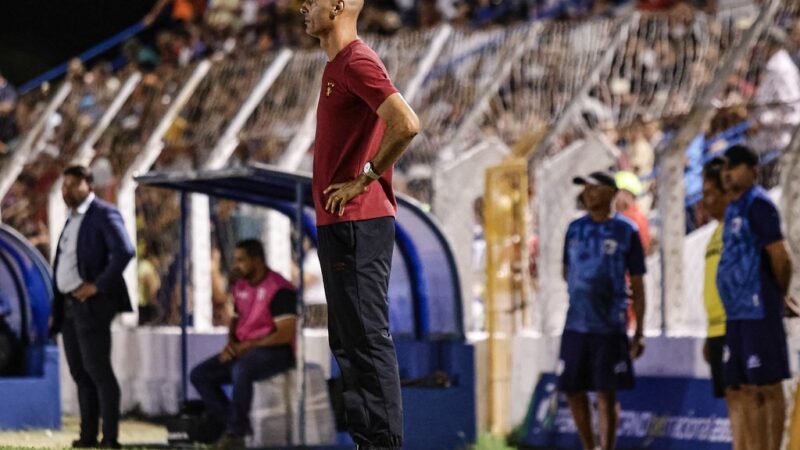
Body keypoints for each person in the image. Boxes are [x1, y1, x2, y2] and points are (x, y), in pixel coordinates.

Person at [300, 0, 420, 447]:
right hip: (340, 223)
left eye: (312, 1)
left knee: (366, 339)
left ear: (336, 7)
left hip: (357, 222)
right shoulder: (337, 65)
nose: (303, 7)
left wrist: (363, 179)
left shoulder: (357, 60)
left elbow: (406, 124)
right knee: (349, 343)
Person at [48, 166, 135, 449]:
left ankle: (109, 438)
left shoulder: (103, 213)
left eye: (73, 185)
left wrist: (97, 285)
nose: (66, 191)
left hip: (92, 304)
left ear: (89, 185)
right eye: (64, 186)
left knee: (98, 371)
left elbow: (124, 250)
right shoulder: (72, 220)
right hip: (70, 305)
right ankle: (87, 436)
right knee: (80, 372)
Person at [559, 171, 646, 450]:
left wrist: (639, 330)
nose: (587, 194)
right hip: (576, 324)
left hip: (609, 326)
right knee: (572, 388)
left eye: (594, 189)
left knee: (606, 392)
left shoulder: (626, 231)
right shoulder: (574, 229)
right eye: (585, 189)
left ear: (611, 192)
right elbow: (566, 270)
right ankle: (589, 445)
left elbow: (638, 282)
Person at [717, 145, 793, 450]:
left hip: (758, 309)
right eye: (724, 168)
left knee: (767, 387)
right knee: (746, 388)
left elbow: (780, 257)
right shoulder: (733, 207)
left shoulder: (759, 205)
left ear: (753, 170)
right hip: (737, 313)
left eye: (734, 166)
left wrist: (779, 295)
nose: (727, 173)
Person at [190, 239, 298, 449]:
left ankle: (236, 433)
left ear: (257, 261)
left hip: (276, 350)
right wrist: (231, 345)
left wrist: (245, 347)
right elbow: (236, 321)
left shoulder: (280, 289)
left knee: (242, 369)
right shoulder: (240, 285)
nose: (236, 265)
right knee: (199, 374)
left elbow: (285, 334)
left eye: (241, 260)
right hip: (246, 349)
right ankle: (233, 424)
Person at [700, 157, 747, 449]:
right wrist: (710, 332)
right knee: (732, 398)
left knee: (744, 397)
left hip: (737, 326)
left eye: (709, 194)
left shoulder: (738, 228)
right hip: (717, 331)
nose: (704, 202)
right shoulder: (715, 234)